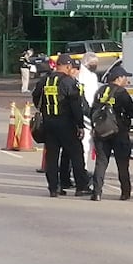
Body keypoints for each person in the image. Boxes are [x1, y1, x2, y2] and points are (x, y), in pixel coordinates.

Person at [33, 54, 92, 198]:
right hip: (66, 124)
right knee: (76, 154)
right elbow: (75, 105)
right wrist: (80, 125)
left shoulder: (45, 80)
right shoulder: (68, 82)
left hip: (49, 123)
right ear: (67, 66)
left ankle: (54, 188)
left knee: (52, 157)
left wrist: (44, 111)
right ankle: (81, 186)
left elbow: (36, 96)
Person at [90, 64, 133, 201]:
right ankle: (125, 193)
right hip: (119, 132)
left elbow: (92, 110)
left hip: (101, 132)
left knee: (101, 163)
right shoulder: (121, 92)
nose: (126, 80)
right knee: (122, 164)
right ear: (118, 78)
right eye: (125, 77)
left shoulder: (100, 91)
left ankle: (97, 192)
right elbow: (132, 113)